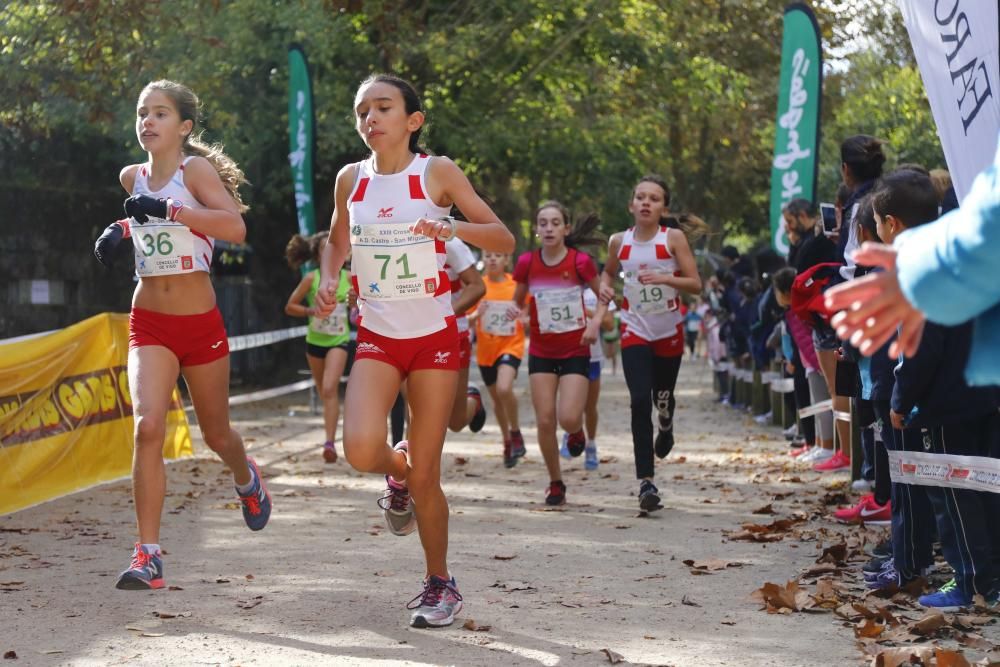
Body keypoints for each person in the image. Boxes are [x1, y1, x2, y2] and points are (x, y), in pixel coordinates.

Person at [312, 74, 514, 628]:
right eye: (361, 111)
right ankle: (393, 470)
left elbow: (502, 237)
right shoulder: (350, 180)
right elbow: (336, 241)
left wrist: (451, 227)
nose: (369, 118)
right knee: (359, 449)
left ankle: (439, 582)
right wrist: (331, 276)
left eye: (383, 107)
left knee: (429, 476)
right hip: (377, 337)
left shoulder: (437, 172)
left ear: (412, 121)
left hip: (433, 340)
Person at [93, 79, 270, 590]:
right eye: (142, 113)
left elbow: (233, 228)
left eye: (160, 114)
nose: (147, 121)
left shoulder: (195, 171)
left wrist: (170, 210)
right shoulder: (132, 176)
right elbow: (148, 224)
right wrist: (120, 230)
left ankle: (246, 477)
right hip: (148, 320)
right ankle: (147, 555)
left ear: (184, 126)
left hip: (200, 324)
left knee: (217, 434)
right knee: (148, 426)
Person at [825, 134, 1000, 386]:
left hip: (906, 391)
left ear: (890, 224)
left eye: (876, 223)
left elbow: (917, 352)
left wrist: (901, 401)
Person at [599, 176, 705, 512]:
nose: (646, 203)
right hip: (634, 327)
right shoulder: (619, 241)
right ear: (631, 205)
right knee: (638, 399)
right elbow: (608, 273)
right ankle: (646, 481)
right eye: (640, 197)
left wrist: (663, 277)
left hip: (669, 329)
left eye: (654, 198)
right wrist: (604, 288)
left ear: (664, 208)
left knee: (663, 396)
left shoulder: (671, 239)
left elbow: (695, 284)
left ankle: (667, 420)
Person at [513, 201, 606, 506]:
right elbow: (518, 302)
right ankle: (555, 482)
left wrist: (594, 323)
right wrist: (521, 316)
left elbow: (605, 297)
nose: (549, 228)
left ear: (566, 229)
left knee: (567, 418)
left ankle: (576, 432)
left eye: (555, 223)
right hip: (542, 350)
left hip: (575, 349)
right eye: (543, 223)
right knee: (544, 421)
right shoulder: (527, 262)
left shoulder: (580, 262)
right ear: (537, 229)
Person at [284, 232, 352, 463]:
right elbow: (290, 306)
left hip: (338, 340)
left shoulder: (350, 278)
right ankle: (330, 433)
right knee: (324, 392)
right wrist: (310, 311)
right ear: (317, 254)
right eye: (324, 249)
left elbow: (365, 302)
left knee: (329, 388)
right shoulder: (311, 279)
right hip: (315, 340)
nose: (328, 252)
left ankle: (330, 443)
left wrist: (356, 304)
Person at [470, 250, 526, 468]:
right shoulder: (478, 287)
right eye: (488, 255)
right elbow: (469, 320)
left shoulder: (516, 285)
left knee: (504, 389)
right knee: (497, 400)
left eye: (497, 255)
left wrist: (523, 317)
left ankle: (516, 432)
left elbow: (529, 312)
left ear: (506, 260)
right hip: (486, 352)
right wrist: (477, 314)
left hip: (511, 345)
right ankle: (507, 442)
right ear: (482, 260)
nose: (493, 258)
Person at [559, 286, 617, 470]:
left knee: (589, 406)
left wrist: (587, 312)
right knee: (569, 402)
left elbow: (609, 324)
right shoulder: (560, 289)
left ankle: (591, 445)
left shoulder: (597, 291)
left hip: (593, 356)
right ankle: (571, 432)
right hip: (566, 354)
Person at [443, 237, 488, 433]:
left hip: (453, 333)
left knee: (455, 422)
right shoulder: (392, 233)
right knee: (415, 404)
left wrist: (446, 314)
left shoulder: (449, 242)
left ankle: (473, 400)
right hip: (411, 332)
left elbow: (477, 286)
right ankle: (415, 463)